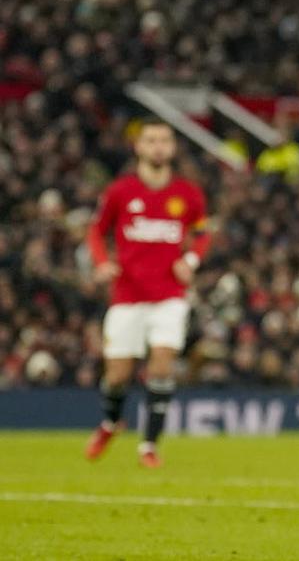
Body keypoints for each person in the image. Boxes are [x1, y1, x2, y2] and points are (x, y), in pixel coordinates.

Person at [84, 119, 211, 468]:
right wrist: (101, 263)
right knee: (118, 376)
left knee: (161, 366)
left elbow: (202, 233)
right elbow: (96, 232)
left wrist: (190, 260)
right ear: (139, 147)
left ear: (172, 148)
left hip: (169, 295)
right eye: (151, 140)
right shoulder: (120, 192)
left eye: (165, 141)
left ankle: (149, 446)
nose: (158, 147)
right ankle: (111, 423)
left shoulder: (187, 193)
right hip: (127, 295)